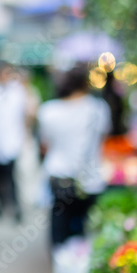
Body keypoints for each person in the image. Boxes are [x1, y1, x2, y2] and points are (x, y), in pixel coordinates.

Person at [37, 65, 111, 247]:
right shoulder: (98, 108)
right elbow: (103, 138)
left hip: (59, 175)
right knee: (86, 227)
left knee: (59, 225)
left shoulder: (48, 111)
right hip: (89, 177)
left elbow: (44, 145)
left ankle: (61, 265)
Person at [0, 62, 27, 222]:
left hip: (12, 141)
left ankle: (15, 208)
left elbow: (23, 116)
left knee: (12, 176)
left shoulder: (17, 91)